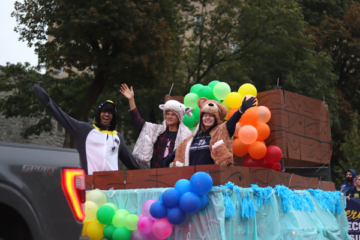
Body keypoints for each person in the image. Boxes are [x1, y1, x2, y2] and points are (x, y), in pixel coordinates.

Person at [33, 86, 139, 175]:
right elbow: (63, 118)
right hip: (90, 190)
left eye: (110, 112)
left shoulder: (118, 137)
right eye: (104, 111)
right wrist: (48, 102)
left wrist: (151, 178)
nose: (107, 114)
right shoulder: (84, 130)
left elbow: (132, 164)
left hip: (114, 191)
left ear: (114, 116)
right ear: (98, 114)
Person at [163, 96, 256, 167]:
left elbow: (231, 122)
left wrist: (241, 110)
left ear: (216, 118)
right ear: (201, 118)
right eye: (205, 115)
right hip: (192, 179)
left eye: (211, 115)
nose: (207, 118)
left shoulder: (222, 131)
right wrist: (164, 163)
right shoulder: (194, 137)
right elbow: (179, 150)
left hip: (213, 180)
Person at [120, 84, 193, 169]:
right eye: (167, 114)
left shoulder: (186, 135)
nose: (169, 116)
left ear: (179, 117)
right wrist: (131, 100)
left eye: (173, 114)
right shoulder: (157, 131)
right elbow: (138, 122)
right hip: (155, 174)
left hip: (174, 176)